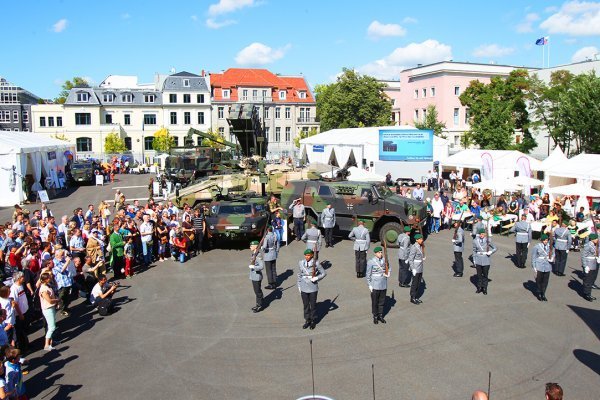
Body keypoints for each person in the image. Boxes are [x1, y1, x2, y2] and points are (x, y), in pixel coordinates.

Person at [297, 249, 326, 330]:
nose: (307, 257)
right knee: (305, 305)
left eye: (309, 255)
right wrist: (299, 285)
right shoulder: (301, 263)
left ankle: (313, 320)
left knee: (313, 305)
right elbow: (299, 274)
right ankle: (307, 320)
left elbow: (324, 273)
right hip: (303, 285)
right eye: (306, 255)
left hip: (313, 286)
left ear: (312, 255)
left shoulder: (316, 263)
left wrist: (317, 277)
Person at [366, 246, 390, 324]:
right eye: (378, 252)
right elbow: (368, 274)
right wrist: (369, 284)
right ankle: (375, 316)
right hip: (375, 285)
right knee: (375, 302)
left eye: (381, 252)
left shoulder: (384, 260)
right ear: (375, 253)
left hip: (383, 284)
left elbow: (389, 267)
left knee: (381, 301)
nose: (380, 254)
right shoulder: (371, 261)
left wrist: (388, 272)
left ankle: (380, 315)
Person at [472, 229, 497, 295]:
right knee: (479, 275)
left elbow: (495, 248)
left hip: (486, 259)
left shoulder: (488, 240)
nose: (481, 235)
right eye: (480, 234)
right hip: (478, 259)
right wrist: (474, 260)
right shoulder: (475, 241)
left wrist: (491, 252)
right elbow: (474, 250)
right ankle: (479, 287)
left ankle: (485, 288)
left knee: (485, 275)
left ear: (485, 234)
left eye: (483, 234)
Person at [38, 272, 59, 351]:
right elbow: (49, 300)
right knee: (52, 327)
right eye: (49, 278)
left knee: (52, 325)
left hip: (51, 308)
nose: (50, 278)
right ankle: (46, 345)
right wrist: (57, 300)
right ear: (45, 279)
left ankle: (51, 342)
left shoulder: (47, 286)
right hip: (48, 309)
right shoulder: (43, 289)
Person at [532, 234, 553, 301]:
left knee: (545, 281)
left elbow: (553, 253)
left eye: (547, 240)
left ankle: (543, 293)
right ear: (541, 240)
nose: (545, 241)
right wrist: (534, 266)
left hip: (547, 265)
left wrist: (552, 258)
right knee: (539, 280)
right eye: (544, 240)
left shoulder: (550, 246)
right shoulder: (537, 247)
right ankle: (539, 293)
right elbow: (534, 257)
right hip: (539, 264)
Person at [581, 233, 599, 302]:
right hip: (588, 263)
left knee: (591, 279)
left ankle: (589, 293)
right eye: (596, 239)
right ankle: (586, 294)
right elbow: (583, 256)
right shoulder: (588, 245)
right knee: (588, 279)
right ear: (592, 239)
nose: (597, 240)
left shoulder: (595, 245)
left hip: (593, 262)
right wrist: (585, 266)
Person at [408, 234, 425, 304]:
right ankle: (412, 297)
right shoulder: (414, 247)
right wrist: (413, 268)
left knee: (418, 283)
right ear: (416, 240)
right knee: (414, 283)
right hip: (415, 267)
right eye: (420, 239)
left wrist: (422, 258)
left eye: (422, 239)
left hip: (420, 267)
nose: (422, 240)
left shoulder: (420, 246)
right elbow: (410, 259)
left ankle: (416, 296)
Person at [248, 241, 264, 313]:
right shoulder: (254, 254)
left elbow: (261, 266)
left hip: (257, 276)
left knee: (257, 291)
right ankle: (259, 302)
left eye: (251, 245)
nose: (250, 247)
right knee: (256, 291)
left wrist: (254, 267)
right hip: (254, 276)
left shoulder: (258, 255)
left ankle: (259, 305)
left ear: (255, 246)